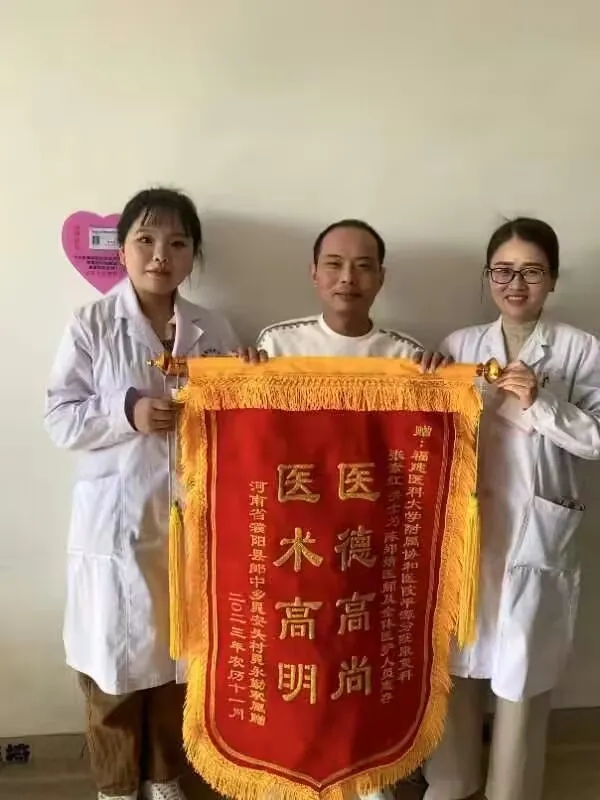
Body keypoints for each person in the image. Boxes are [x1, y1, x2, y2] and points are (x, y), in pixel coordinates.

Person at [44, 188, 242, 800]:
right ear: (123, 250)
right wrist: (126, 412)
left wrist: (243, 382)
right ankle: (115, 785)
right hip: (118, 525)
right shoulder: (91, 324)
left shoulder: (213, 328)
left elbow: (239, 420)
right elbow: (60, 418)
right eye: (146, 240)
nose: (161, 255)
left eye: (178, 243)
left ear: (193, 255)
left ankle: (163, 777)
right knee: (114, 665)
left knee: (175, 665)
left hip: (191, 522)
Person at [258, 219, 448, 800]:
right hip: (299, 543)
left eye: (363, 266)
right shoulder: (277, 346)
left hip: (370, 544)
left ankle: (368, 777)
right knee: (303, 662)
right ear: (314, 274)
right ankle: (297, 774)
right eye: (335, 264)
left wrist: (441, 389)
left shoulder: (406, 356)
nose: (349, 277)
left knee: (361, 662)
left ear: (381, 277)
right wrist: (241, 378)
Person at [423, 218, 600, 800]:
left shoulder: (580, 348)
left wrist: (541, 402)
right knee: (455, 658)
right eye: (503, 271)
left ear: (552, 279)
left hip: (536, 528)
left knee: (523, 669)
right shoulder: (460, 345)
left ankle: (511, 792)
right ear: (487, 276)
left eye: (531, 271)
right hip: (470, 527)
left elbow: (596, 438)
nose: (515, 284)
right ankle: (451, 785)